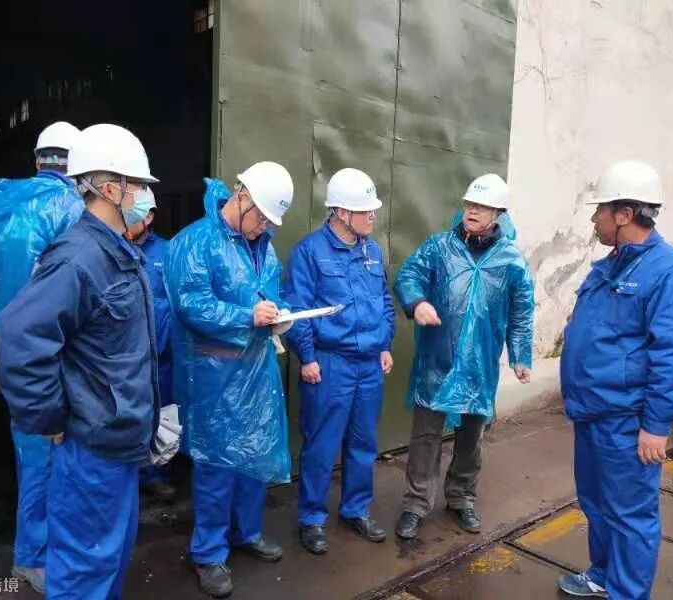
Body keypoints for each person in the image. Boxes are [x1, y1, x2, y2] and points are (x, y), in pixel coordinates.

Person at [0, 123, 161, 599]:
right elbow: (21, 339)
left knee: (109, 563)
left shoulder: (118, 251)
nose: (145, 195)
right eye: (139, 185)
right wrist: (49, 417)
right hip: (91, 449)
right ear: (110, 189)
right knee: (85, 572)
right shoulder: (78, 257)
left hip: (119, 443)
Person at [558, 161, 673, 599]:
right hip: (593, 413)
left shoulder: (671, 274)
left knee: (630, 514)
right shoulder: (610, 267)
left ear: (624, 214)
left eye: (600, 209)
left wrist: (656, 425)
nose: (594, 218)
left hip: (627, 421)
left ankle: (627, 592)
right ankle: (603, 574)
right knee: (597, 503)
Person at [164, 162, 294, 598]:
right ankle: (208, 552)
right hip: (214, 374)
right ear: (241, 197)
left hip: (255, 368)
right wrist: (246, 316)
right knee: (217, 464)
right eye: (262, 217)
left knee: (254, 455)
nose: (264, 227)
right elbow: (190, 305)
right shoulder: (196, 242)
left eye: (270, 221)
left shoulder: (263, 246)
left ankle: (246, 531)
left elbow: (267, 294)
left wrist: (277, 314)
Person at [393, 173, 535, 540]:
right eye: (470, 204)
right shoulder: (439, 247)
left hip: (479, 363)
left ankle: (461, 498)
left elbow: (522, 311)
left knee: (471, 437)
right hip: (437, 359)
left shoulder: (511, 261)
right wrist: (417, 302)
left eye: (482, 206)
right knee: (426, 435)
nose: (472, 211)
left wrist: (521, 356)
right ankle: (415, 504)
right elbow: (409, 275)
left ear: (498, 214)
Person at [0, 120, 82, 594]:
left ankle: (33, 550)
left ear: (37, 160)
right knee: (53, 456)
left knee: (31, 450)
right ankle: (37, 556)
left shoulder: (6, 207)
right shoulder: (71, 207)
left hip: (11, 348)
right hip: (53, 351)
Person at [283, 168, 395, 555]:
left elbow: (383, 301)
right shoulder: (310, 252)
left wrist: (384, 344)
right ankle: (311, 518)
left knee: (363, 442)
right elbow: (296, 309)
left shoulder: (372, 251)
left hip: (368, 365)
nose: (373, 216)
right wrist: (307, 357)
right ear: (342, 213)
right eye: (365, 210)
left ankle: (355, 509)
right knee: (321, 444)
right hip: (330, 364)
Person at [126, 189, 178, 502]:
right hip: (126, 357)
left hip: (161, 356)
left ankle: (157, 475)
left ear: (149, 216)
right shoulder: (112, 248)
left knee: (162, 417)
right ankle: (129, 476)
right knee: (129, 416)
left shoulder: (167, 253)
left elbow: (179, 303)